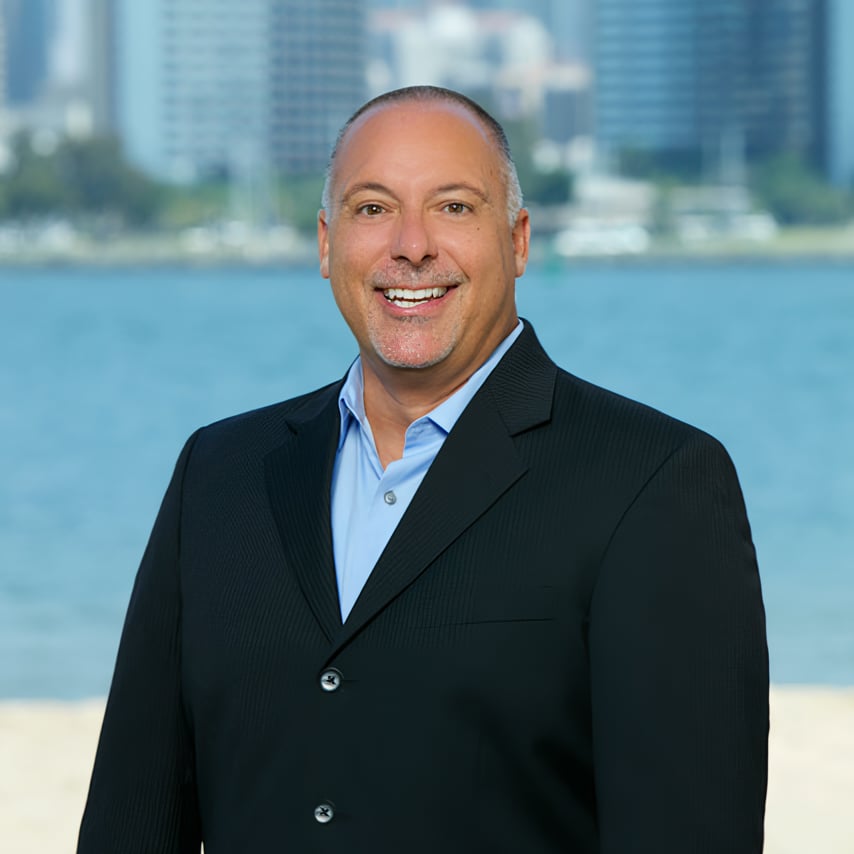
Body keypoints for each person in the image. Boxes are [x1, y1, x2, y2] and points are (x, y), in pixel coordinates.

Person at [78, 86, 768, 853]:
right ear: (326, 243)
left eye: (454, 207)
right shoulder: (217, 475)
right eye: (373, 209)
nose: (412, 246)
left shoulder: (655, 483)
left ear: (518, 241)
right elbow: (130, 822)